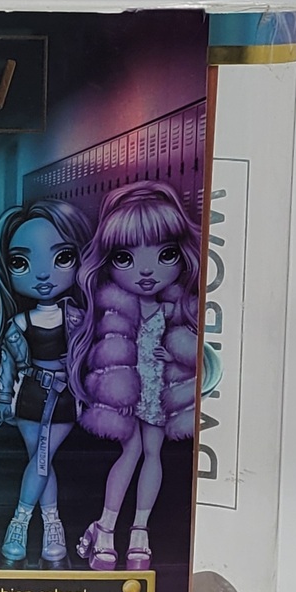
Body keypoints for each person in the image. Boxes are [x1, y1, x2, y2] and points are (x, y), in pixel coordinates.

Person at [69, 181, 201, 570]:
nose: (146, 270)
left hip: (157, 392)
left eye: (166, 254)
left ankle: (139, 530)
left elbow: (192, 351)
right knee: (131, 451)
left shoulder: (176, 308)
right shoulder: (114, 309)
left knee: (152, 454)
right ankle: (106, 528)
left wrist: (176, 354)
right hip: (129, 393)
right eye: (125, 257)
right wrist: (115, 389)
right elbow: (105, 354)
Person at [0, 199, 93, 566]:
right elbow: (8, 363)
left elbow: (91, 356)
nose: (42, 274)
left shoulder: (77, 318)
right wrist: (3, 397)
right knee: (41, 459)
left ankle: (19, 523)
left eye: (62, 258)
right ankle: (52, 527)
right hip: (30, 393)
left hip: (65, 395)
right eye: (20, 263)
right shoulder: (19, 323)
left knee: (41, 458)